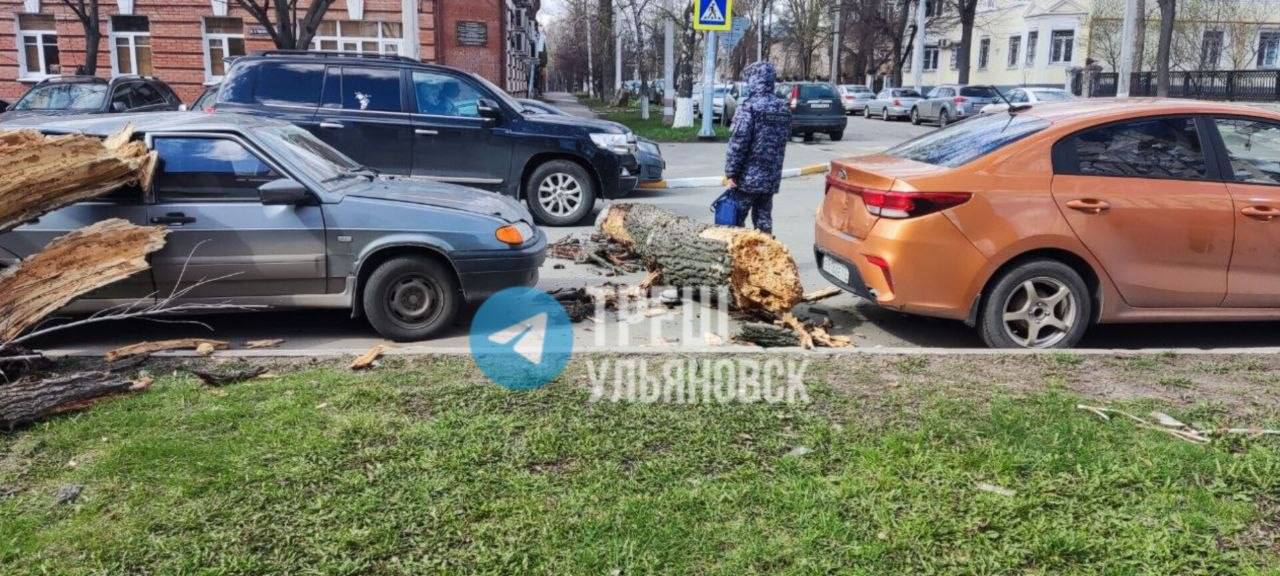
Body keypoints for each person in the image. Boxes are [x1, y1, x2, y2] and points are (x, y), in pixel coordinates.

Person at [723, 61, 791, 234]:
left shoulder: (749, 107)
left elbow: (738, 144)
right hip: (771, 177)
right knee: (764, 222)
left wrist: (731, 173)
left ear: (753, 80)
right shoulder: (782, 107)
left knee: (734, 222)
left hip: (748, 179)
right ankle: (766, 250)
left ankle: (739, 251)